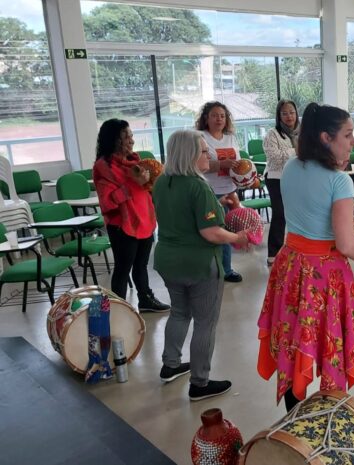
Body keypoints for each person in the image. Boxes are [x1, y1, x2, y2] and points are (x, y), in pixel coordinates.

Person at [257, 103, 354, 412]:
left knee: (296, 345)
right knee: (329, 345)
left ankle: (295, 420)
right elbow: (346, 245)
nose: (352, 142)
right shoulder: (339, 182)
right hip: (324, 274)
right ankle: (325, 422)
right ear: (325, 138)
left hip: (290, 264)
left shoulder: (292, 166)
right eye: (347, 135)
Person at [153, 130, 250, 401]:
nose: (210, 155)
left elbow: (182, 213)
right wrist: (237, 238)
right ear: (189, 155)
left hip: (167, 259)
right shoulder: (198, 186)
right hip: (197, 263)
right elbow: (211, 232)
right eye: (204, 151)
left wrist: (216, 204)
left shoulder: (162, 182)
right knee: (206, 322)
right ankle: (200, 382)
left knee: (180, 313)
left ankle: (170, 364)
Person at [92, 119, 170, 312]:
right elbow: (108, 202)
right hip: (122, 225)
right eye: (125, 137)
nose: (131, 141)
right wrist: (134, 183)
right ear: (113, 140)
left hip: (144, 220)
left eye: (131, 136)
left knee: (141, 265)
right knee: (123, 267)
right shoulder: (104, 167)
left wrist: (154, 179)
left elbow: (147, 190)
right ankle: (119, 309)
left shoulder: (136, 161)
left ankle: (145, 299)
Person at [195, 101, 243, 283]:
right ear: (206, 118)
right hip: (210, 191)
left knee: (228, 230)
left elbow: (237, 161)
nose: (219, 119)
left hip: (230, 190)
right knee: (215, 232)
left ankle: (226, 268)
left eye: (222, 116)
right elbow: (197, 166)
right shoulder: (200, 137)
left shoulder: (230, 137)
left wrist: (244, 172)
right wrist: (221, 164)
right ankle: (217, 269)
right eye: (214, 115)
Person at [263, 99, 299, 267]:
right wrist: (295, 151)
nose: (289, 116)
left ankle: (293, 249)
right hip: (276, 177)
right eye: (284, 113)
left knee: (295, 214)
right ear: (279, 116)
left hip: (295, 177)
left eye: (291, 112)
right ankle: (273, 252)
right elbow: (275, 157)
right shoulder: (272, 134)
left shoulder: (301, 132)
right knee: (280, 214)